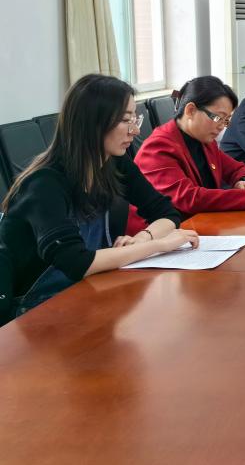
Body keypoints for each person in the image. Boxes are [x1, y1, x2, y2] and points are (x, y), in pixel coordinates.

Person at [0, 75, 199, 324]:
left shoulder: (114, 163)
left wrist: (142, 238)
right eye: (125, 120)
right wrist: (158, 245)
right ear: (92, 124)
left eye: (135, 119)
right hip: (29, 315)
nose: (135, 130)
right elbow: (77, 262)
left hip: (84, 293)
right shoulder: (43, 185)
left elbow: (166, 213)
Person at [130, 76, 245, 229]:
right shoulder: (157, 148)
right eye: (218, 118)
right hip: (166, 234)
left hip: (202, 225)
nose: (222, 127)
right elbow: (188, 198)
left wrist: (244, 180)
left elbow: (238, 167)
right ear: (191, 110)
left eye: (226, 120)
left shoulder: (203, 139)